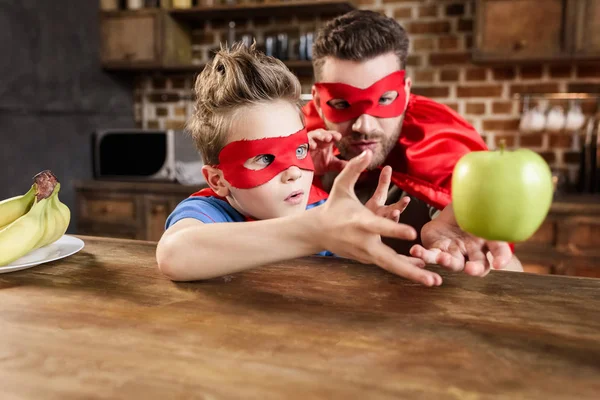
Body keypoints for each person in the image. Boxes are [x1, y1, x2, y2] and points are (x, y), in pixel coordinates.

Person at [155, 44, 444, 286]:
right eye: (265, 158)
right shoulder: (210, 212)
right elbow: (174, 253)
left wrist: (360, 246)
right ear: (218, 180)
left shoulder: (319, 210)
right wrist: (314, 232)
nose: (293, 172)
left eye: (300, 149)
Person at [303, 10, 523, 276]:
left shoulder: (436, 150)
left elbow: (508, 268)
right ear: (317, 102)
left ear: (406, 92)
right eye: (341, 104)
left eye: (384, 100)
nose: (364, 126)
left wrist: (488, 260)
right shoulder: (296, 148)